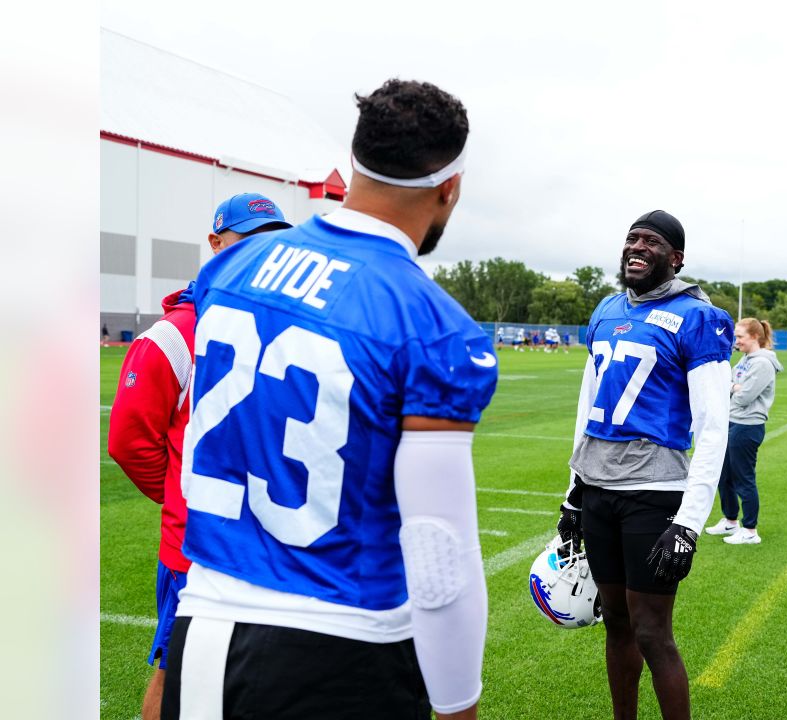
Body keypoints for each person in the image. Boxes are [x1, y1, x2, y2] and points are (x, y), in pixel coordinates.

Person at [162, 79, 496, 720]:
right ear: (449, 186)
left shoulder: (230, 268)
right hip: (343, 651)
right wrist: (458, 705)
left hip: (201, 629)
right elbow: (436, 546)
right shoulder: (430, 323)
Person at [108, 192, 291, 720]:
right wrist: (186, 495)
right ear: (216, 243)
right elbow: (128, 441)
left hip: (265, 545)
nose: (262, 252)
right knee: (178, 679)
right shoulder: (174, 334)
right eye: (250, 239)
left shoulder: (281, 321)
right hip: (197, 548)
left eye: (274, 241)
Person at [555, 209, 733, 720]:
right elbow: (587, 407)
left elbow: (713, 426)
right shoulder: (607, 309)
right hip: (598, 488)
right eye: (631, 238)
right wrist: (574, 489)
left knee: (654, 632)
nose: (636, 247)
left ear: (675, 258)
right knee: (615, 623)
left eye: (650, 242)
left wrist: (688, 525)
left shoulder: (700, 318)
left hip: (654, 493)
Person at [705, 318, 782, 545]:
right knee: (724, 475)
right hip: (732, 420)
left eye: (740, 337)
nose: (736, 341)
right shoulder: (746, 360)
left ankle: (750, 530)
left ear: (755, 337)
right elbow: (729, 384)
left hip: (747, 426)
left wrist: (732, 388)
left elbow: (745, 396)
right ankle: (730, 521)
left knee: (743, 478)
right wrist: (734, 387)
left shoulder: (763, 363)